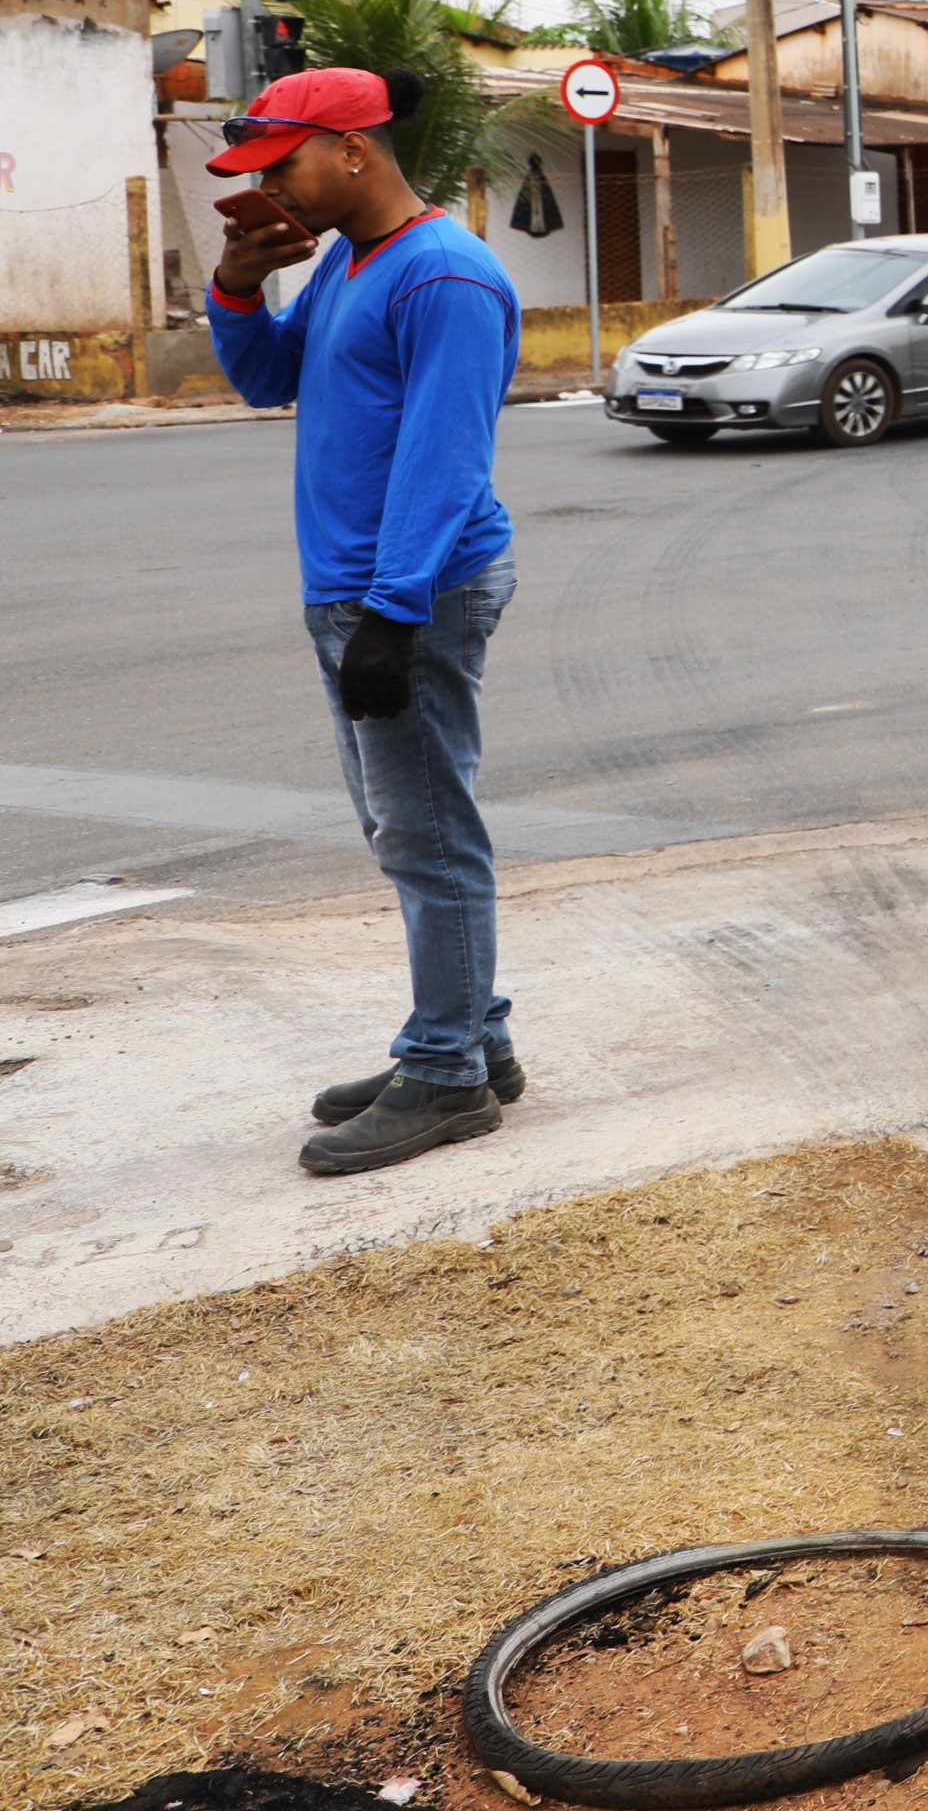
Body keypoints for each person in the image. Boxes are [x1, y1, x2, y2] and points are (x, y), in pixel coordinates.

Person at [204, 66, 527, 1176]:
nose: (272, 190)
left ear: (353, 150)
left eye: (283, 165)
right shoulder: (350, 260)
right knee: (410, 830)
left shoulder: (445, 276)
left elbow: (446, 457)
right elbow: (269, 381)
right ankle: (474, 1039)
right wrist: (239, 285)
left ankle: (446, 1076)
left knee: (428, 838)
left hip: (413, 593)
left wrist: (393, 613)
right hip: (358, 591)